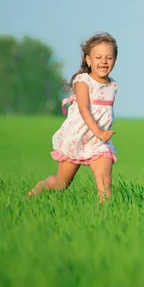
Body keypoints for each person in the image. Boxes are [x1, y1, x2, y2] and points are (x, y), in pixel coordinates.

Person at [28, 32, 119, 203]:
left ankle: (105, 216)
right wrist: (98, 131)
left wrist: (100, 136)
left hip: (99, 142)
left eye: (109, 57)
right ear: (88, 60)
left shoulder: (113, 85)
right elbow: (84, 109)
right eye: (98, 57)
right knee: (61, 184)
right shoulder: (82, 81)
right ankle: (35, 192)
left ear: (115, 60)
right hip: (78, 137)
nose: (104, 61)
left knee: (105, 180)